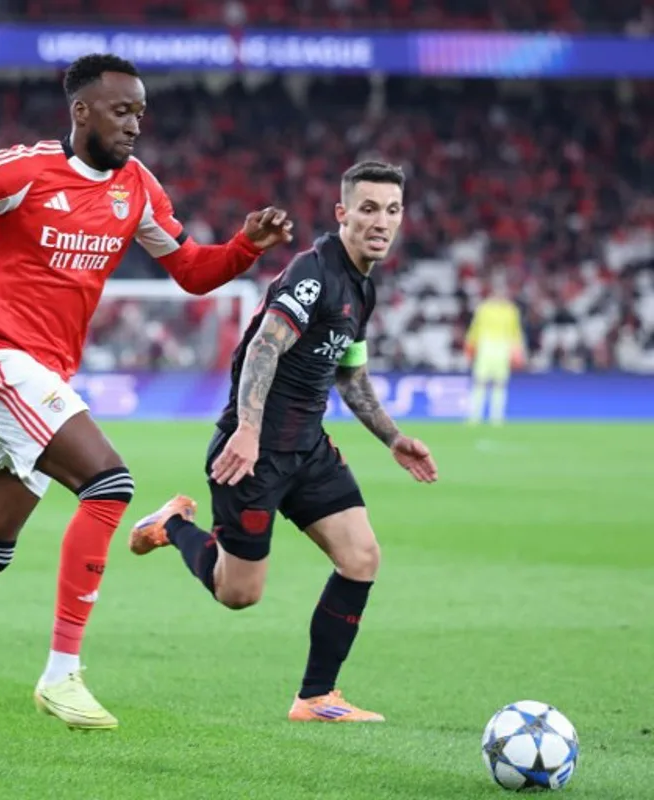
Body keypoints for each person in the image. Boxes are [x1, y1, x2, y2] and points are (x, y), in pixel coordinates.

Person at [0, 53, 294, 732]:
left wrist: (244, 247)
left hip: (45, 376)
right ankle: (61, 673)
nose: (135, 124)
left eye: (140, 111)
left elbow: (191, 271)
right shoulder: (23, 169)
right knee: (110, 484)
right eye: (120, 110)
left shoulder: (137, 188)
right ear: (82, 111)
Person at [129, 161, 438, 723]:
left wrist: (392, 438)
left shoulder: (361, 286)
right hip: (252, 456)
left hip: (309, 449)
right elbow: (262, 349)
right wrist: (247, 430)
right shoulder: (313, 273)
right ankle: (172, 524)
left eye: (391, 210)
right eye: (368, 208)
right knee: (238, 594)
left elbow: (349, 373)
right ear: (343, 214)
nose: (381, 222)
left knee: (362, 556)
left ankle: (316, 697)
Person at [465, 276, 526, 425]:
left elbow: (515, 331)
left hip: (503, 346)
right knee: (480, 381)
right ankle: (475, 416)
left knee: (499, 383)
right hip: (485, 346)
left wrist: (518, 349)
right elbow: (475, 328)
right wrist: (469, 345)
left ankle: (496, 417)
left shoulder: (511, 310)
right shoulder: (484, 308)